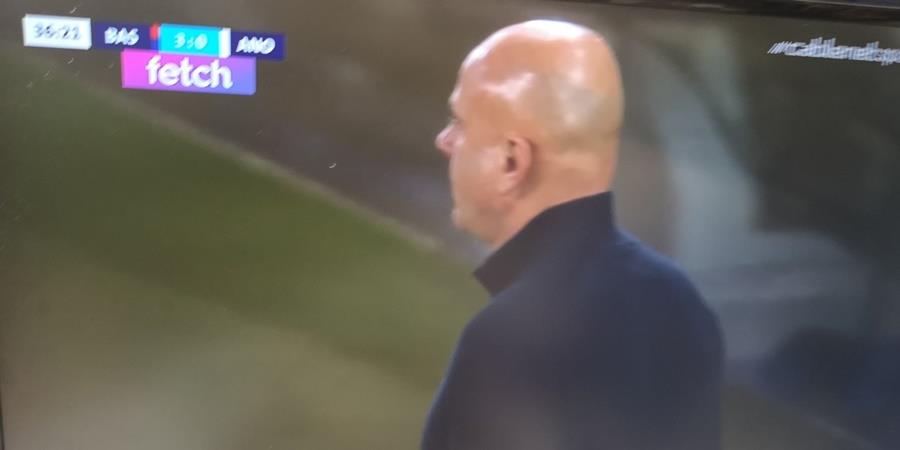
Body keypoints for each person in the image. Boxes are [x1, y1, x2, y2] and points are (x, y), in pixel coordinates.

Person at [422, 20, 723, 450]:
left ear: (511, 163)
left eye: (460, 122)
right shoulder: (681, 302)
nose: (445, 140)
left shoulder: (506, 341)